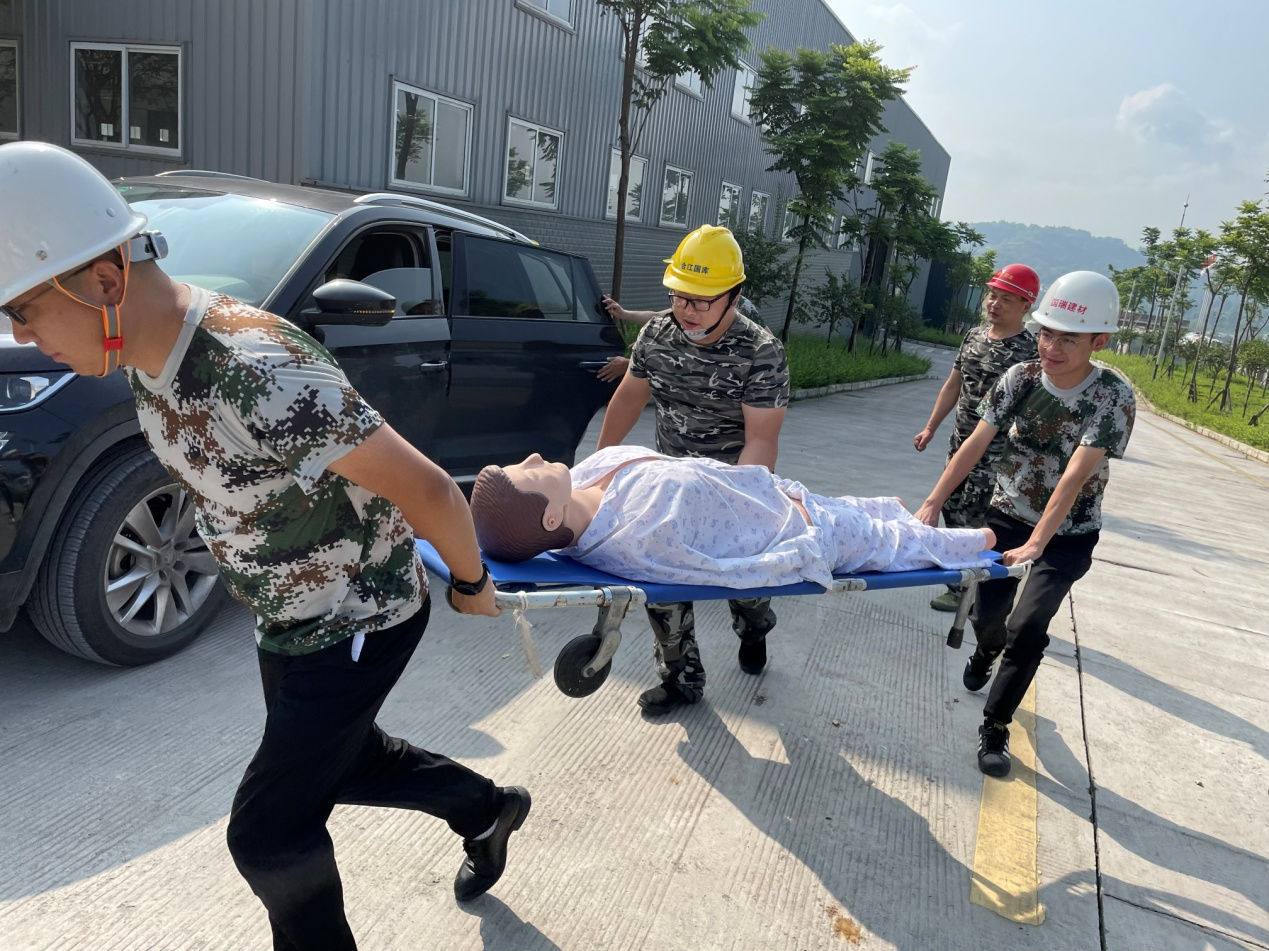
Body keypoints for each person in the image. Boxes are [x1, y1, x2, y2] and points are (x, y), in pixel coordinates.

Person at [0, 142, 529, 951]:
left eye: (23, 308)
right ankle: (488, 810)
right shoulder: (143, 352)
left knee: (270, 834)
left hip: (357, 614)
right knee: (344, 762)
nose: (20, 333)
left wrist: (470, 581)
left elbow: (426, 487)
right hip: (287, 611)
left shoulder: (255, 369)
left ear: (104, 281)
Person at [915, 270, 1135, 778]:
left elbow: (1076, 476)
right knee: (990, 619)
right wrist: (932, 503)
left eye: (1069, 339)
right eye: (1047, 333)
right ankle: (986, 647)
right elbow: (975, 442)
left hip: (1069, 533)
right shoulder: (1021, 378)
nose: (1052, 348)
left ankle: (995, 725)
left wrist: (1039, 542)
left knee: (1028, 626)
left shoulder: (1113, 395)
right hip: (1007, 517)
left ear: (1099, 342)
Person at [595, 224, 789, 715]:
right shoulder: (657, 333)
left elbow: (762, 439)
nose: (688, 309)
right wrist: (600, 467)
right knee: (660, 580)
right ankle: (681, 678)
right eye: (681, 296)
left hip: (732, 486)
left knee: (744, 584)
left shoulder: (760, 352)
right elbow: (628, 399)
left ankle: (754, 628)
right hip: (668, 484)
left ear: (735, 296)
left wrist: (737, 507)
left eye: (703, 300)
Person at [468, 446, 997, 586]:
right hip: (804, 530)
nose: (533, 458)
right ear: (551, 517)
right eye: (528, 474)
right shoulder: (638, 534)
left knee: (880, 512)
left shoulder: (587, 473)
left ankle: (906, 519)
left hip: (783, 496)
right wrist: (802, 550)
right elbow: (718, 571)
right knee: (893, 544)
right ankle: (978, 545)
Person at [914, 264, 1040, 613]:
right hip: (961, 444)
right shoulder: (974, 336)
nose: (994, 304)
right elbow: (953, 384)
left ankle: (968, 590)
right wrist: (931, 427)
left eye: (1006, 299)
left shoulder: (1031, 352)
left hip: (999, 453)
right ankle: (964, 582)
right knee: (952, 508)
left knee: (977, 516)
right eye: (992, 296)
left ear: (1025, 306)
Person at [596, 293, 761, 382]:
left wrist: (635, 363)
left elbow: (696, 362)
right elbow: (659, 316)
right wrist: (624, 314)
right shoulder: (691, 298)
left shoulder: (740, 308)